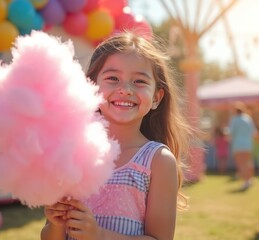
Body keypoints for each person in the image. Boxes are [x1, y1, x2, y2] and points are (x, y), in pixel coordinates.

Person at [40, 32, 192, 240]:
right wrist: (56, 224)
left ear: (156, 98)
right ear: (91, 87)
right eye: (113, 78)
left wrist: (100, 235)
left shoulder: (157, 161)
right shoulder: (72, 152)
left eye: (139, 81)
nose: (125, 89)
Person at [228, 102, 256, 190]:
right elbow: (253, 132)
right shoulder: (248, 118)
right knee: (248, 162)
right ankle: (250, 179)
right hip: (248, 143)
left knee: (242, 164)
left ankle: (246, 181)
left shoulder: (234, 120)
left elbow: (230, 133)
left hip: (238, 144)